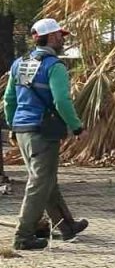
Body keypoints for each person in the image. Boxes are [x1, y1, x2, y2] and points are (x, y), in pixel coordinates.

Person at [3, 18, 89, 250]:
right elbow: (62, 100)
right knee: (39, 183)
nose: (63, 39)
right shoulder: (54, 66)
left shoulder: (19, 64)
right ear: (51, 38)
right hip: (43, 131)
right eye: (61, 35)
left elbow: (9, 99)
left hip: (22, 129)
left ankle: (67, 226)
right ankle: (23, 236)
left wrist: (13, 125)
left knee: (46, 180)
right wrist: (77, 126)